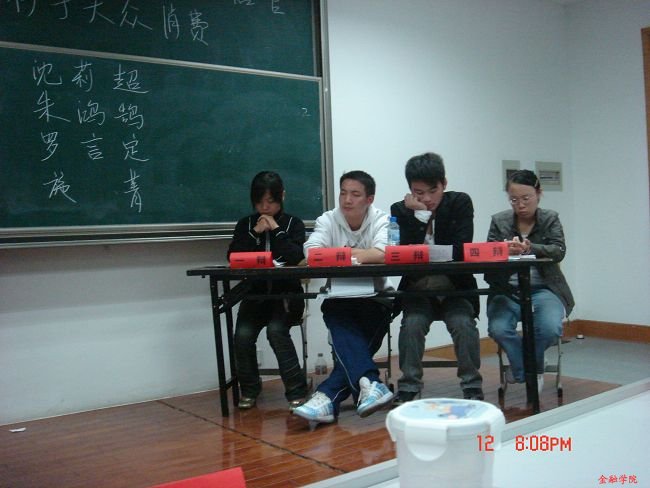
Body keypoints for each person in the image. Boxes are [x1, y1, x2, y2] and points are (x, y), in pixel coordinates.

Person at [293, 170, 394, 426]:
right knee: (335, 313)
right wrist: (362, 254)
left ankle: (327, 397)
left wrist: (338, 255)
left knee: (350, 343)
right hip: (339, 297)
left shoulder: (382, 219)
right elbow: (312, 252)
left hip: (377, 298)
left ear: (369, 199)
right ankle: (370, 383)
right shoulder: (328, 219)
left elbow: (384, 253)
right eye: (343, 193)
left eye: (355, 194)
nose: (347, 200)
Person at [390, 152, 484, 404]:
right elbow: (401, 253)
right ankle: (408, 386)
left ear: (444, 184)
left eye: (433, 191)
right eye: (419, 193)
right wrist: (420, 215)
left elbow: (461, 249)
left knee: (463, 324)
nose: (428, 199)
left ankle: (472, 385)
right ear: (410, 190)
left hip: (455, 288)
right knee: (412, 325)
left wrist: (423, 251)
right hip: (418, 289)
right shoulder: (400, 210)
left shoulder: (460, 203)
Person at [486, 169, 574, 391]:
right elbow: (488, 253)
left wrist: (530, 248)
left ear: (538, 194)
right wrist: (504, 249)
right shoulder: (499, 221)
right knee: (498, 329)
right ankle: (530, 368)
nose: (521, 205)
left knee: (550, 328)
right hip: (507, 289)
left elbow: (558, 250)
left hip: (544, 289)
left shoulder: (550, 218)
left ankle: (525, 369)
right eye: (514, 200)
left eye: (526, 198)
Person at [227, 171, 308, 411]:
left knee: (276, 331)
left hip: (287, 296)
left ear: (282, 196)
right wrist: (255, 232)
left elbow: (297, 257)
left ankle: (297, 391)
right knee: (242, 335)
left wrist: (276, 230)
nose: (265, 207)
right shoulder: (246, 224)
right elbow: (233, 256)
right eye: (259, 202)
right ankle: (250, 389)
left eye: (270, 202)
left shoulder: (294, 224)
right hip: (255, 296)